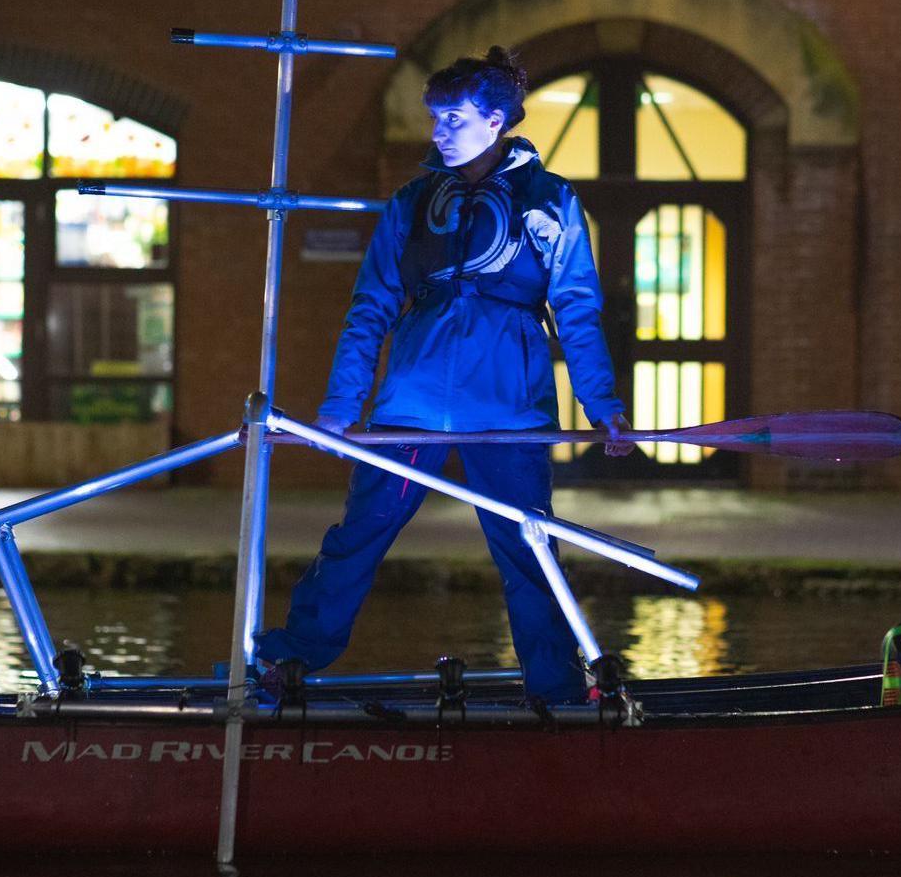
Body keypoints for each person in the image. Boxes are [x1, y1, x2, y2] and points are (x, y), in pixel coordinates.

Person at [254, 47, 631, 703]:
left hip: (510, 410)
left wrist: (603, 405)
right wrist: (339, 410)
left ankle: (557, 692)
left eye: (452, 118)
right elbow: (369, 306)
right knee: (359, 536)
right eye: (435, 118)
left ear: (494, 118)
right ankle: (289, 659)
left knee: (528, 549)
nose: (437, 132)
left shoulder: (549, 200)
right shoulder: (412, 201)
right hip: (411, 404)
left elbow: (576, 306)